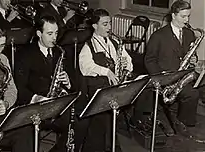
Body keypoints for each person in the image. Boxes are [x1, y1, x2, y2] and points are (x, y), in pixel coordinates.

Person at [15, 15, 87, 152]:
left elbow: (76, 83)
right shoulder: (24, 54)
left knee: (82, 121)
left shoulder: (61, 52)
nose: (54, 38)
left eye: (56, 33)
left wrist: (68, 82)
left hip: (57, 105)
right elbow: (20, 88)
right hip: (34, 106)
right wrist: (37, 98)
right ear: (38, 34)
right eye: (49, 34)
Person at [144, 0, 203, 139]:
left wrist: (194, 58)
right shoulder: (158, 35)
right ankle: (181, 124)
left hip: (183, 75)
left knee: (198, 89)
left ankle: (183, 122)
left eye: (188, 16)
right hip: (166, 78)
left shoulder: (189, 34)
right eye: (183, 16)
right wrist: (160, 77)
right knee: (192, 94)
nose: (187, 20)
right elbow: (149, 60)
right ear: (173, 15)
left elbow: (190, 53)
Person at [78, 8, 133, 152]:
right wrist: (106, 71)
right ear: (95, 26)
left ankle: (112, 145)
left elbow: (129, 60)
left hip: (114, 89)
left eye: (109, 23)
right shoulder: (88, 46)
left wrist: (127, 65)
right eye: (105, 24)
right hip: (98, 91)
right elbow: (85, 67)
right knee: (102, 124)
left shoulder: (114, 42)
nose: (109, 27)